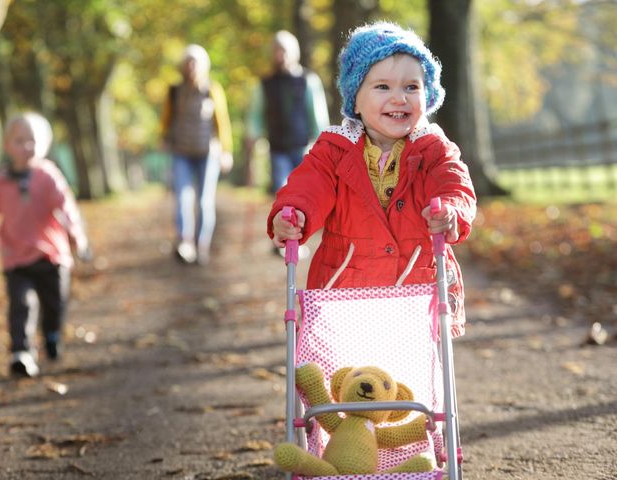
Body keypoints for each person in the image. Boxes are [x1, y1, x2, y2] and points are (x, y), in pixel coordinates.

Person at [267, 21, 477, 336]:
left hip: (416, 292)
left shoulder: (433, 149)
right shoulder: (335, 150)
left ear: (427, 93)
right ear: (356, 98)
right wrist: (295, 213)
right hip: (346, 291)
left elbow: (454, 184)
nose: (399, 98)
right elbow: (308, 185)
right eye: (383, 87)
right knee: (347, 382)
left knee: (414, 380)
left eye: (411, 87)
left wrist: (451, 211)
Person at [0, 112, 89, 378]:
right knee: (20, 305)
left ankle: (52, 335)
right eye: (19, 140)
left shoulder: (48, 176)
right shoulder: (0, 182)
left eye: (33, 141)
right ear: (7, 145)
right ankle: (21, 352)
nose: (27, 147)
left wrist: (77, 235)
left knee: (54, 303)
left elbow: (66, 207)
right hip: (16, 258)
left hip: (51, 256)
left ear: (44, 144)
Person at [161, 44, 233, 265]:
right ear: (182, 66)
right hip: (181, 152)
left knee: (204, 201)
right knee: (182, 198)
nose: (191, 66)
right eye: (188, 62)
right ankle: (185, 242)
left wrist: (226, 151)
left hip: (208, 153)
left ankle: (201, 245)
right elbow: (166, 119)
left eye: (195, 62)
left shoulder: (212, 89)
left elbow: (222, 123)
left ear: (204, 66)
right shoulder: (174, 91)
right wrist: (163, 138)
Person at [246, 30, 330, 194]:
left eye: (284, 50)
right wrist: (253, 142)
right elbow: (255, 117)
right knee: (283, 194)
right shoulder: (264, 84)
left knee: (305, 194)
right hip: (277, 149)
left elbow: (319, 117)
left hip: (304, 148)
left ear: (294, 52)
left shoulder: (308, 80)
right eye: (276, 50)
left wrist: (317, 144)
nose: (280, 55)